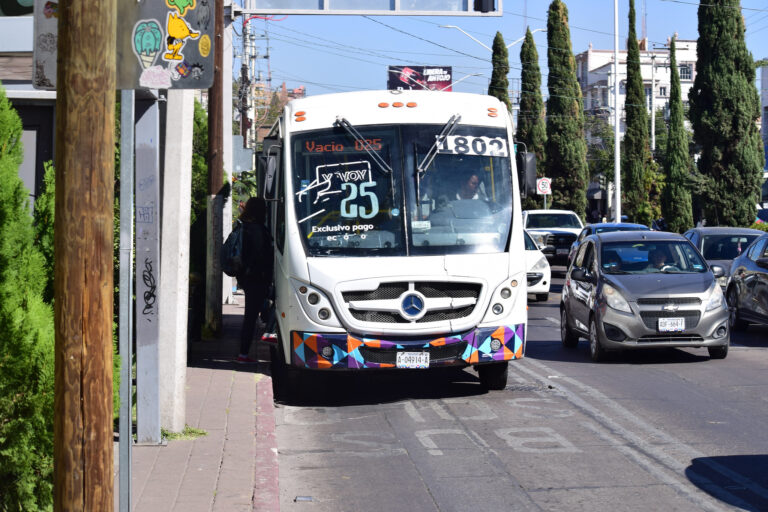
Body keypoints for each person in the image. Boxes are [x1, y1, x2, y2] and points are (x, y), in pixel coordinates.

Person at [236, 197, 273, 363]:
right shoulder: (258, 230)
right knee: (251, 316)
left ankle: (244, 353)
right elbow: (261, 256)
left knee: (251, 315)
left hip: (247, 277)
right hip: (257, 278)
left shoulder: (243, 226)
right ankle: (243, 354)